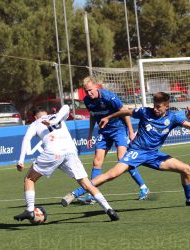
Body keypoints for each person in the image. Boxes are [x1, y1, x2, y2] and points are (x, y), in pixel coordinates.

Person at [62, 92, 190, 207]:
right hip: (136, 152)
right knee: (112, 174)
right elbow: (125, 111)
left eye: (159, 107)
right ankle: (75, 193)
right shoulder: (145, 112)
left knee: (186, 169)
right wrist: (109, 117)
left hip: (154, 155)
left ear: (166, 106)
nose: (155, 109)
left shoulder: (173, 118)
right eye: (155, 106)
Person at [13, 105, 119, 222]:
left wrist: (21, 160)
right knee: (87, 184)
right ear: (46, 112)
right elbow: (66, 107)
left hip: (53, 152)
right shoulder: (57, 116)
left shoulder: (35, 124)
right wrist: (57, 119)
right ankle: (108, 209)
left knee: (29, 179)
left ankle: (29, 209)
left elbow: (26, 139)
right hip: (70, 151)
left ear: (34, 117)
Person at [62, 76, 149, 206]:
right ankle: (91, 194)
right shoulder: (87, 100)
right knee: (97, 161)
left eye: (90, 90)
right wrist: (90, 134)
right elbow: (93, 116)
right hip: (104, 131)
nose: (89, 93)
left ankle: (143, 187)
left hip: (119, 130)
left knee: (123, 159)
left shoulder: (109, 97)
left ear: (96, 87)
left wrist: (131, 131)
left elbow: (124, 112)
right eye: (86, 91)